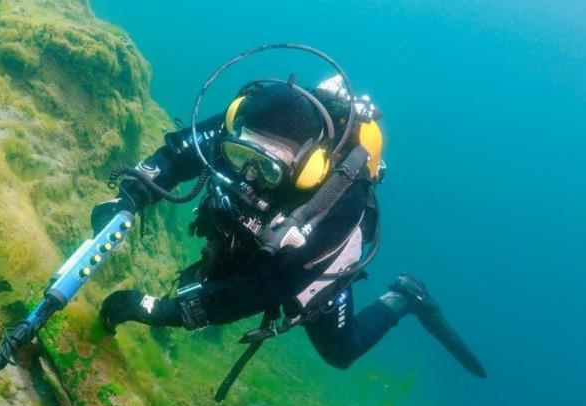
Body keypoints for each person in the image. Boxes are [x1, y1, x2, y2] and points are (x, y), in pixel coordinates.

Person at [91, 71, 486, 385]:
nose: (248, 174)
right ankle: (197, 297)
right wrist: (128, 198)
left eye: (267, 167)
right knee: (210, 276)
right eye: (238, 154)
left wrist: (160, 311)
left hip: (302, 263)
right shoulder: (248, 120)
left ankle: (403, 298)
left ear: (305, 166)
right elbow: (179, 152)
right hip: (249, 239)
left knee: (340, 353)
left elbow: (268, 289)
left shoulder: (340, 203)